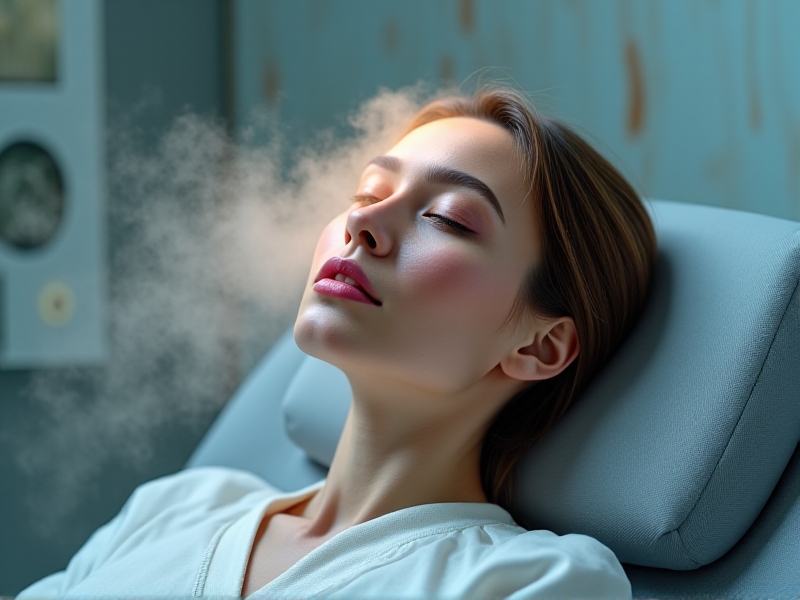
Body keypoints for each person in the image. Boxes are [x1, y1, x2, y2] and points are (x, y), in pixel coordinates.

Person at [19, 85, 656, 599]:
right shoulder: (178, 505)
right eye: (367, 193)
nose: (362, 222)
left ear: (540, 346)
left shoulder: (531, 582)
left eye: (447, 219)